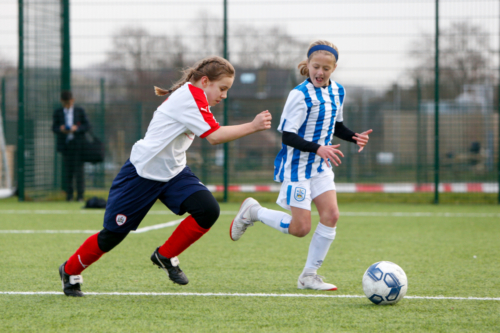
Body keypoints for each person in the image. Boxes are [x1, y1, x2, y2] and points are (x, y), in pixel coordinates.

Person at [58, 56, 272, 297]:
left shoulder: (196, 95)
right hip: (142, 174)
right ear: (204, 81)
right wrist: (253, 126)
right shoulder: (192, 97)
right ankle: (69, 270)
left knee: (208, 210)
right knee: (112, 236)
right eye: (222, 88)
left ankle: (165, 256)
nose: (224, 95)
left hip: (173, 172)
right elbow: (214, 136)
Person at [230, 40, 373, 291]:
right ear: (307, 65)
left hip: (320, 166)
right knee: (300, 228)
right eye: (315, 66)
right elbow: (287, 135)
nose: (320, 72)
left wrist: (354, 137)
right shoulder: (299, 94)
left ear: (334, 68)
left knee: (332, 215)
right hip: (297, 167)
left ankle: (309, 275)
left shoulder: (339, 91)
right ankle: (254, 212)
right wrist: (318, 148)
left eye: (326, 69)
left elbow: (335, 124)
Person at [52, 91, 90, 202]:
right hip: (65, 146)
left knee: (79, 171)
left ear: (72, 100)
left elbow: (87, 126)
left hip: (78, 146)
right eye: (65, 103)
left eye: (68, 102)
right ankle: (69, 196)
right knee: (67, 172)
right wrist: (61, 129)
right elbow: (54, 127)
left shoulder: (79, 111)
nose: (67, 105)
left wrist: (76, 129)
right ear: (61, 102)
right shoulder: (58, 112)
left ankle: (80, 196)